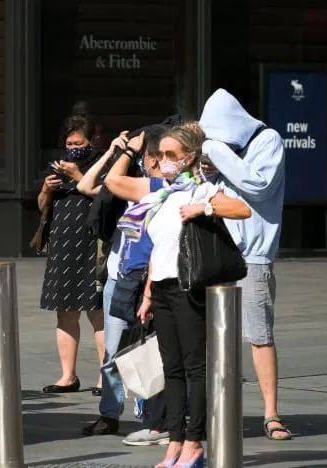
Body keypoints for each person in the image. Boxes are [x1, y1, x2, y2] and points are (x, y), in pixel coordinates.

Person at [135, 122, 251, 467]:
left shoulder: (200, 190)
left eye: (172, 154)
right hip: (163, 288)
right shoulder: (161, 196)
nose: (164, 160)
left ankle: (194, 442)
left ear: (189, 157)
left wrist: (206, 208)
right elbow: (159, 249)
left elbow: (242, 209)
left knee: (194, 367)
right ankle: (173, 442)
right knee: (171, 368)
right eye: (161, 155)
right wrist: (148, 292)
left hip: (188, 288)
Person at [198, 89, 292, 440]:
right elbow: (214, 191)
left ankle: (271, 413)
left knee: (259, 334)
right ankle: (218, 408)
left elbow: (258, 185)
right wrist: (209, 170)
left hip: (253, 255)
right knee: (216, 336)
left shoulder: (268, 140)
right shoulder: (224, 150)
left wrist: (215, 152)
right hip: (219, 248)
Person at [76, 126, 169, 443]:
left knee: (145, 348)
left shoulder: (159, 187)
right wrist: (113, 152)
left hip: (144, 277)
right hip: (118, 275)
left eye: (146, 154)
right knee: (113, 352)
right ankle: (110, 413)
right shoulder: (132, 183)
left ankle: (151, 415)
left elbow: (114, 183)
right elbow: (86, 184)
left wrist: (128, 152)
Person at [39, 114, 104, 395]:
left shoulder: (103, 163)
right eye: (69, 142)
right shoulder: (58, 165)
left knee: (97, 311)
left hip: (92, 243)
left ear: (92, 141)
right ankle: (68, 375)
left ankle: (106, 376)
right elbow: (43, 206)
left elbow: (108, 198)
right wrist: (46, 188)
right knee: (65, 312)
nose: (73, 147)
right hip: (62, 244)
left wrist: (78, 176)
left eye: (78, 142)